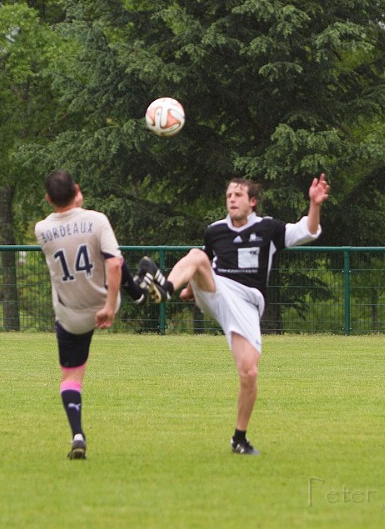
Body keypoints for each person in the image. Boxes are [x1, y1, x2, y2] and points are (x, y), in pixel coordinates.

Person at [138, 174, 330, 455]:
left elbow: (308, 231)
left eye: (238, 195)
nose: (232, 199)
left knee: (249, 372)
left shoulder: (269, 228)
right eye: (229, 195)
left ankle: (239, 438)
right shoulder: (214, 231)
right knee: (196, 256)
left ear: (252, 202)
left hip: (247, 303)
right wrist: (189, 288)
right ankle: (164, 288)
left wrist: (314, 204)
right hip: (217, 291)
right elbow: (203, 264)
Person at [35, 169, 124, 460]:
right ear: (77, 190)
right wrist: (110, 306)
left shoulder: (42, 229)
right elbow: (113, 266)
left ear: (48, 198)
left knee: (71, 377)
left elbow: (69, 230)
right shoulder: (97, 220)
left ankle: (77, 433)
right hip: (102, 301)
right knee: (113, 256)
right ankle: (141, 290)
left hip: (71, 315)